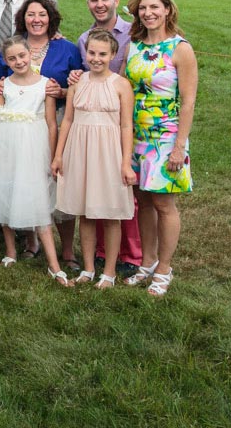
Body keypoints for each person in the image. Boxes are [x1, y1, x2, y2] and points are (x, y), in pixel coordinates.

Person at [0, 0, 82, 266]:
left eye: (42, 14)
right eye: (31, 15)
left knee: (56, 186)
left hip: (58, 121)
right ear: (23, 19)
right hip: (19, 129)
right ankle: (31, 242)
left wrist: (63, 90)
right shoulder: (15, 47)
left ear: (50, 18)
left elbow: (80, 83)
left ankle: (66, 250)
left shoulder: (67, 48)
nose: (37, 19)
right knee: (24, 181)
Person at [0, 37, 73, 287]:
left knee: (37, 200)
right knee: (4, 193)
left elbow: (52, 124)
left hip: (34, 147)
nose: (18, 61)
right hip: (5, 145)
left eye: (22, 56)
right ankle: (10, 252)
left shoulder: (45, 85)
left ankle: (54, 265)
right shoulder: (3, 86)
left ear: (30, 53)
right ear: (5, 61)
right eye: (12, 58)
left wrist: (53, 156)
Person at [123, 0, 197, 298]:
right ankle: (148, 262)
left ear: (167, 9)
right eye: (143, 8)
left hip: (166, 136)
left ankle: (165, 268)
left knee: (164, 203)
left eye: (155, 7)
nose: (149, 13)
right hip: (136, 134)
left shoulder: (181, 49)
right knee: (143, 201)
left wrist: (180, 145)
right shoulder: (134, 45)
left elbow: (188, 101)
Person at [51, 30, 136, 289]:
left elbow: (125, 126)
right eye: (91, 53)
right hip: (80, 148)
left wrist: (124, 162)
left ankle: (108, 272)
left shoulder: (120, 84)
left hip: (109, 150)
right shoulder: (77, 81)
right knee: (85, 212)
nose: (96, 58)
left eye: (102, 54)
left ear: (112, 55)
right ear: (85, 53)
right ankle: (88, 268)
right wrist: (58, 155)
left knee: (110, 213)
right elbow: (67, 120)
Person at [68, 0, 140, 277]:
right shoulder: (85, 38)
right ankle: (92, 260)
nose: (99, 4)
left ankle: (128, 257)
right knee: (88, 204)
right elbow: (80, 82)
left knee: (115, 203)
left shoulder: (133, 34)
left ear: (115, 0)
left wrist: (125, 159)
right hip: (88, 129)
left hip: (116, 124)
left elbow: (126, 122)